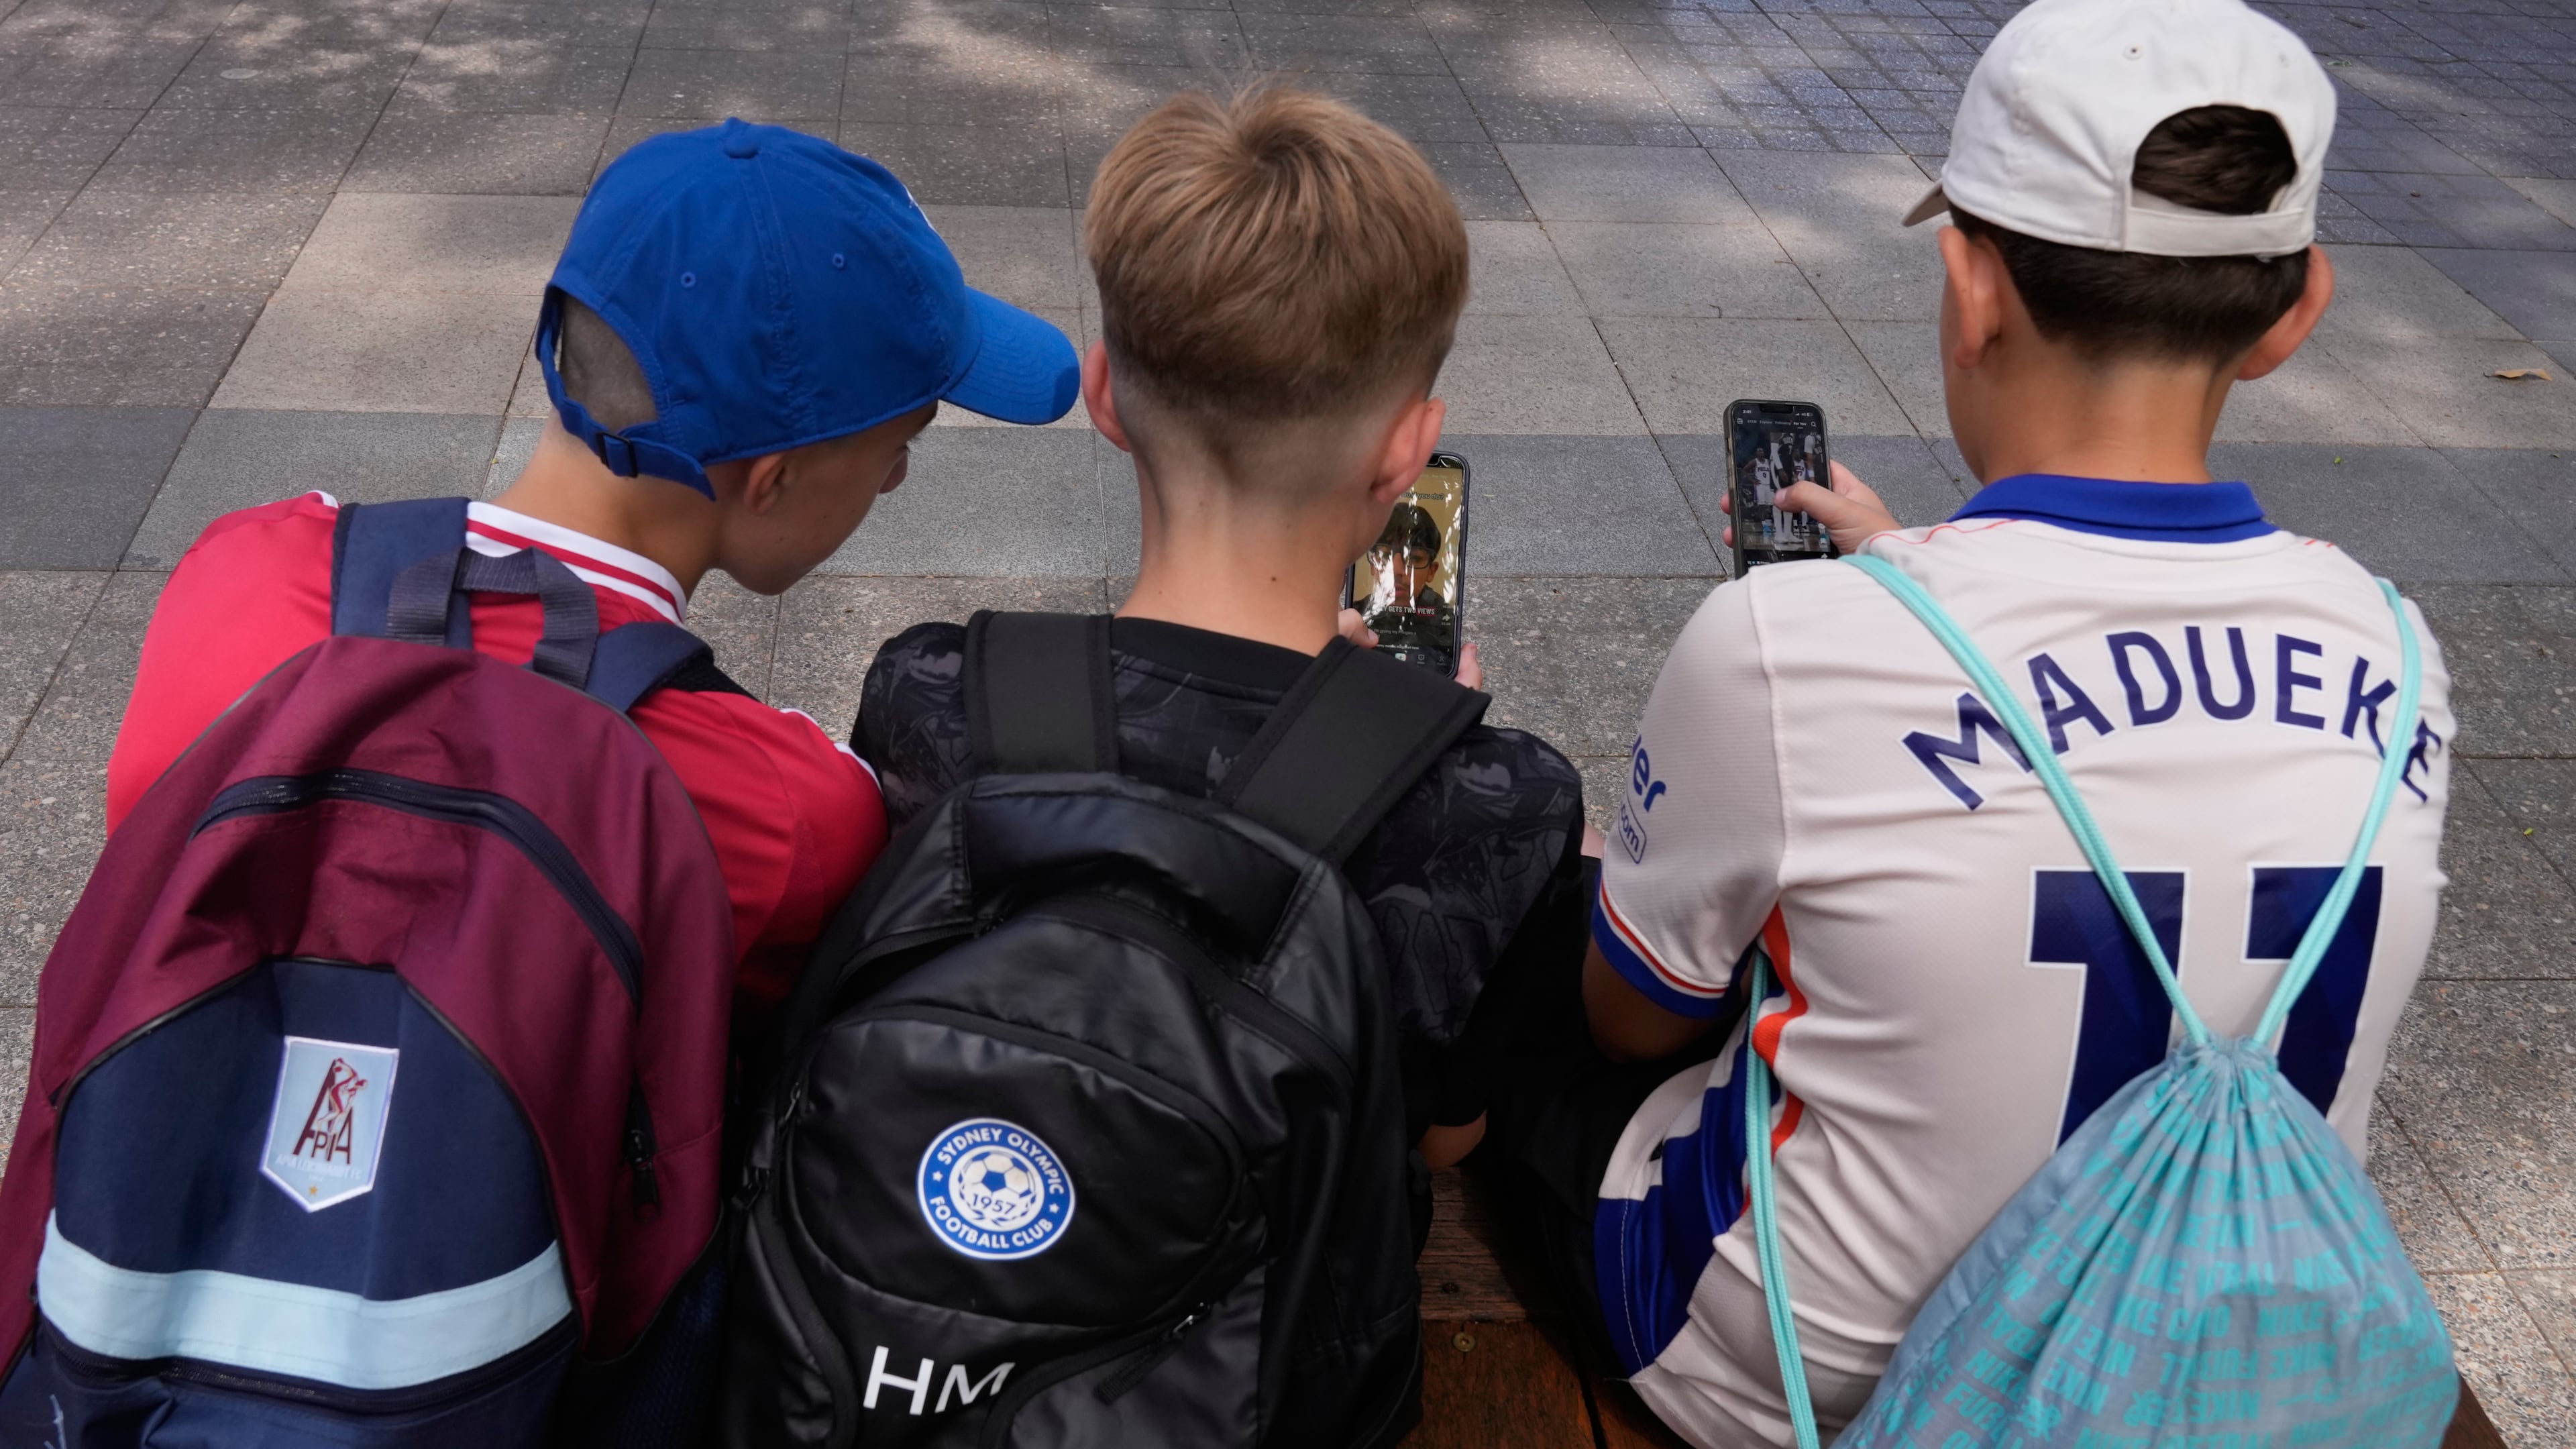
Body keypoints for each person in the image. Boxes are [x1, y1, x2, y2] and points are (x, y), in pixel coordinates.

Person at [1477, 0, 2457, 1443]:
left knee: (1557, 955)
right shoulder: (2396, 644)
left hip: (1795, 1384)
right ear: (2297, 312)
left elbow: (1631, 1026)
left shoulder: (1790, 647)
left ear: (1971, 285)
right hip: (2216, 1350)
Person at [104, 119, 1081, 1030]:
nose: (899, 479)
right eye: (900, 443)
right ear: (772, 481)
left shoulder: (239, 565)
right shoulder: (788, 812)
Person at [854, 85, 1587, 1173]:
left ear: (1102, 395)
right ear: (1408, 449)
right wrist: (1397, 734)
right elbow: (1441, 1140)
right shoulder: (1495, 802)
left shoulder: (930, 694)